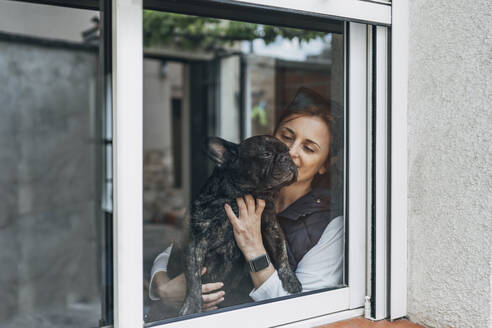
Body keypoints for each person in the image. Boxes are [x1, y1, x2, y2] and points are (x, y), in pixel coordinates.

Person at [148, 87, 344, 313]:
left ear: (325, 165)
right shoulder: (240, 186)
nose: (290, 152)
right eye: (286, 138)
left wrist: (254, 246)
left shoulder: (329, 225)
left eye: (309, 148)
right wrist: (162, 288)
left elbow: (301, 313)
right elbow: (179, 247)